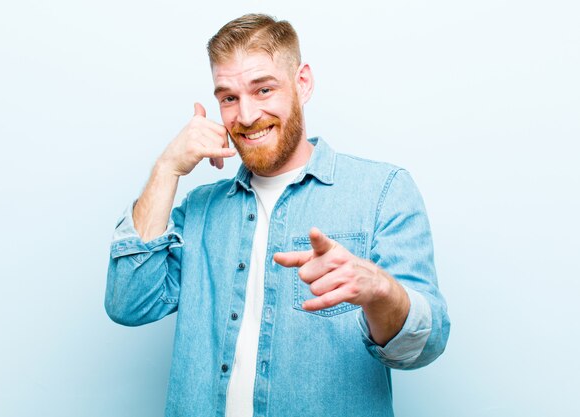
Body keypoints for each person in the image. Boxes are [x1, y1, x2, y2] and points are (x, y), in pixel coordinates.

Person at [105, 13, 450, 417]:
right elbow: (128, 303)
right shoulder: (200, 210)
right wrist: (166, 169)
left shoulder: (382, 191)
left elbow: (424, 346)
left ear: (302, 83)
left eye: (263, 89)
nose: (246, 116)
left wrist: (381, 292)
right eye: (229, 98)